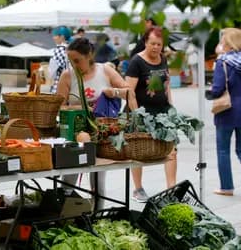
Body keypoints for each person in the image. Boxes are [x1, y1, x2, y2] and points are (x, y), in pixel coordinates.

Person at [57, 37, 136, 208]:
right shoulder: (67, 76)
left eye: (77, 61)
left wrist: (113, 92)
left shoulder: (105, 71)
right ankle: (63, 212)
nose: (74, 65)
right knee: (68, 179)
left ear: (89, 56)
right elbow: (59, 106)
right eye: (71, 61)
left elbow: (128, 92)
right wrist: (80, 108)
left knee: (98, 182)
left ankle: (97, 216)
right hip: (74, 136)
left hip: (102, 135)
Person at [125, 26, 176, 202]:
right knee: (139, 152)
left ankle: (171, 189)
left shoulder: (162, 59)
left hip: (162, 111)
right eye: (152, 43)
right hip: (141, 112)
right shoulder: (136, 62)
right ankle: (138, 189)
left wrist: (170, 106)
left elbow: (165, 84)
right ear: (145, 42)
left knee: (171, 149)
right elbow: (129, 91)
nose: (155, 47)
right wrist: (137, 116)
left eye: (159, 44)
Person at [209, 28, 241, 196]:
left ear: (227, 43)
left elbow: (217, 88)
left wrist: (210, 93)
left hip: (227, 111)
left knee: (223, 150)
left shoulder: (223, 62)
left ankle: (226, 187)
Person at [48, 26, 71, 93]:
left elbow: (52, 69)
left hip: (59, 82)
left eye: (55, 36)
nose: (53, 38)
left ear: (62, 37)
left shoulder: (59, 50)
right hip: (71, 82)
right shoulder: (70, 48)